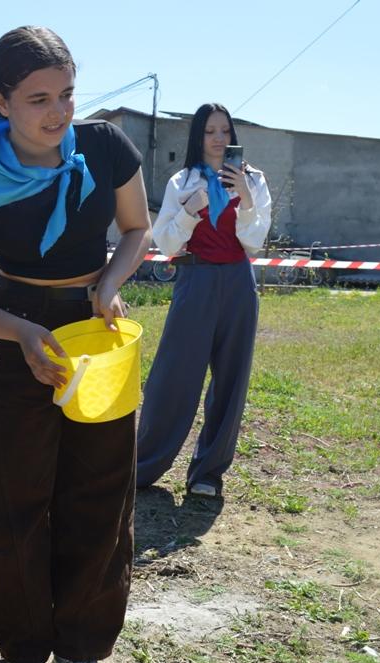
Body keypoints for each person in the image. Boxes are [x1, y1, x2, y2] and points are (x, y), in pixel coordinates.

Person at [0, 26, 152, 663]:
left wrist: (109, 284)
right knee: (14, 501)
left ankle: (83, 647)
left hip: (96, 331)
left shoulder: (105, 145)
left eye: (66, 94)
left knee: (101, 494)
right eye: (38, 99)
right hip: (14, 329)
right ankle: (23, 647)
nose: (58, 112)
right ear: (0, 102)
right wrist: (23, 333)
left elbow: (137, 228)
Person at [136, 102, 272, 497]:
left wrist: (246, 199)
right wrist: (190, 212)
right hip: (194, 278)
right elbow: (166, 243)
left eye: (225, 131)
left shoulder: (253, 179)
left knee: (231, 378)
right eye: (210, 131)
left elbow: (254, 241)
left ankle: (207, 474)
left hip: (237, 281)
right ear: (198, 136)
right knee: (173, 376)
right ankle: (142, 466)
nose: (218, 139)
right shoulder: (182, 180)